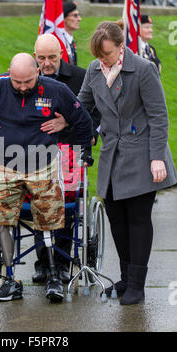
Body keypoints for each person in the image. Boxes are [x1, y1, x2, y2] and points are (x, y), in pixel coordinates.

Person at [0, 53, 93, 302]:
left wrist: (85, 148)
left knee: (49, 219)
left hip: (42, 163)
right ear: (9, 73)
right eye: (17, 82)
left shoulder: (56, 90)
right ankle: (10, 279)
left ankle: (53, 276)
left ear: (38, 73)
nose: (22, 87)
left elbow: (82, 119)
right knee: (2, 220)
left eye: (28, 82)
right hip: (6, 165)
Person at [75, 21, 176, 305]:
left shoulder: (144, 70)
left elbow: (159, 116)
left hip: (143, 154)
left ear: (121, 47)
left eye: (106, 54)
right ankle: (125, 278)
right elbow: (82, 105)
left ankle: (137, 285)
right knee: (117, 220)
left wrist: (157, 157)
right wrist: (74, 124)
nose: (102, 60)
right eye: (98, 55)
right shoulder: (95, 70)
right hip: (111, 155)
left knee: (138, 219)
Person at [31, 33, 101, 284]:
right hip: (37, 155)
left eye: (52, 57)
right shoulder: (29, 78)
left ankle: (61, 262)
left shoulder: (80, 76)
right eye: (41, 58)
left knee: (66, 207)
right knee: (40, 204)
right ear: (34, 56)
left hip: (71, 153)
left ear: (61, 54)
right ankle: (42, 262)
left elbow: (97, 114)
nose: (46, 63)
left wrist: (70, 122)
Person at [62, 1, 81, 66]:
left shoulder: (70, 40)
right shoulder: (60, 42)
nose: (79, 19)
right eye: (75, 15)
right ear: (64, 18)